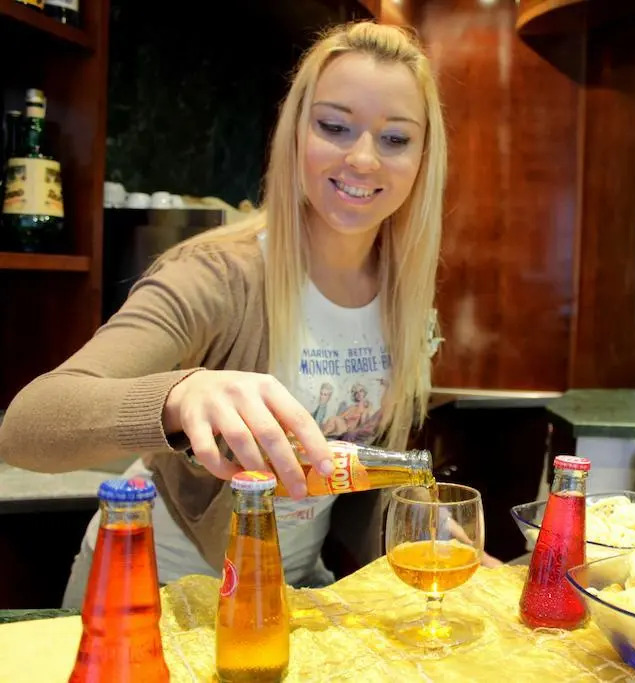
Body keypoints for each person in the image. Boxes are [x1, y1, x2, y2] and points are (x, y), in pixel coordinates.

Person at [0, 21, 472, 607]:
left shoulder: (402, 296)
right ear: (294, 134)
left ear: (424, 157)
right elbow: (27, 427)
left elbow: (346, 472)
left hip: (288, 593)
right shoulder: (215, 274)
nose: (362, 158)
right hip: (153, 592)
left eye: (396, 138)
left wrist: (417, 521)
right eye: (334, 127)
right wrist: (180, 396)